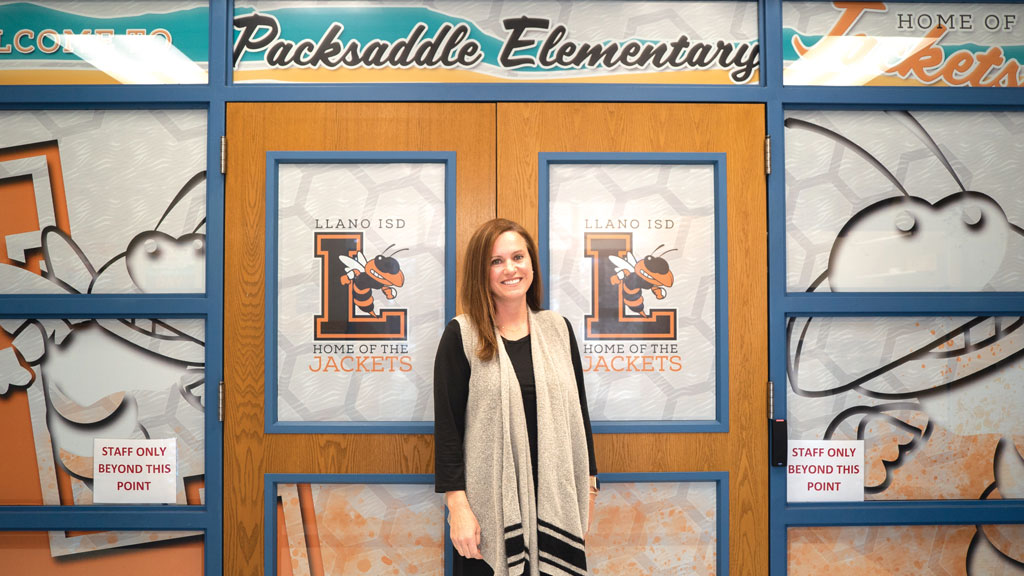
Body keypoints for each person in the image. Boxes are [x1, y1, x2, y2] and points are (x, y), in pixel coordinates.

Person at [434, 218, 598, 576]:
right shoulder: (462, 335)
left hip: (556, 502)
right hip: (488, 513)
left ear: (532, 264)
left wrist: (588, 489)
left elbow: (579, 415)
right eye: (496, 261)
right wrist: (457, 507)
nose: (510, 269)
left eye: (518, 257)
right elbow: (448, 429)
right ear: (482, 271)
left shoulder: (558, 329)